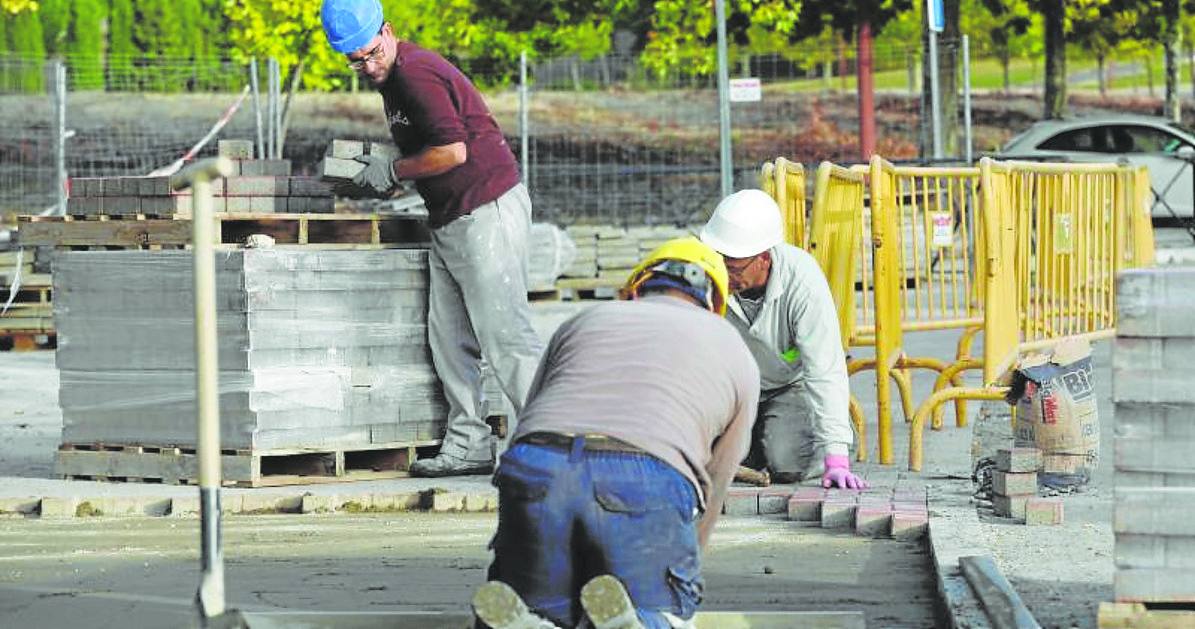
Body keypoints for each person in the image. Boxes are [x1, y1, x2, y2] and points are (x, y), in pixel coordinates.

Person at [470, 238, 760, 629]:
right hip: (645, 472)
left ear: (636, 288)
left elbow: (530, 419)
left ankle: (532, 623)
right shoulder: (732, 348)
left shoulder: (584, 321)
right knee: (668, 611)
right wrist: (681, 561)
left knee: (544, 608)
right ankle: (641, 621)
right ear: (714, 302)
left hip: (538, 465)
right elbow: (717, 478)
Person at [321, 0, 543, 477]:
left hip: (487, 209)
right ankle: (470, 445)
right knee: (450, 339)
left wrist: (394, 169)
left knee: (506, 337)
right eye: (355, 60)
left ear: (389, 30)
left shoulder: (416, 73)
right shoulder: (394, 78)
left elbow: (453, 151)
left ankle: (551, 448)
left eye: (372, 52)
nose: (367, 66)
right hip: (450, 217)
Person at [699, 189, 866, 489]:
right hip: (734, 390)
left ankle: (822, 434)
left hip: (788, 386)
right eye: (719, 261)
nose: (724, 273)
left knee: (787, 463)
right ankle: (755, 440)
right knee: (708, 455)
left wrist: (836, 455)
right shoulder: (707, 274)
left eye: (734, 268)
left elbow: (824, 368)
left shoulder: (802, 280)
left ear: (764, 258)